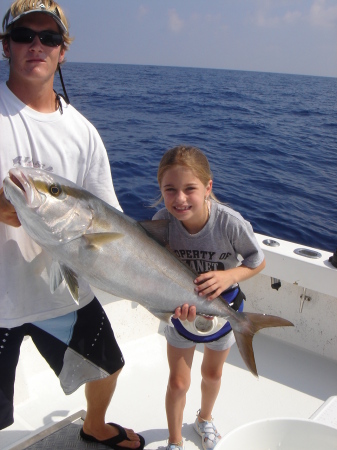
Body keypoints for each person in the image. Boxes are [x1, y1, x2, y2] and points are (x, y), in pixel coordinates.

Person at [0, 1, 145, 448]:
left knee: (108, 366)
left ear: (64, 51)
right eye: (25, 35)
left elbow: (110, 223)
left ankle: (94, 426)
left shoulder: (83, 132)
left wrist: (165, 293)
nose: (36, 45)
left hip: (58, 288)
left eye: (49, 37)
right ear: (6, 46)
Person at [153, 145, 266, 450]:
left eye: (190, 189)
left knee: (212, 374)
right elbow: (156, 272)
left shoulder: (229, 223)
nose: (180, 198)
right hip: (182, 316)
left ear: (208, 187)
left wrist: (229, 276)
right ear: (161, 190)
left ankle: (204, 419)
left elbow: (257, 260)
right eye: (170, 189)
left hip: (224, 314)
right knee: (178, 382)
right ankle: (175, 441)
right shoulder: (161, 223)